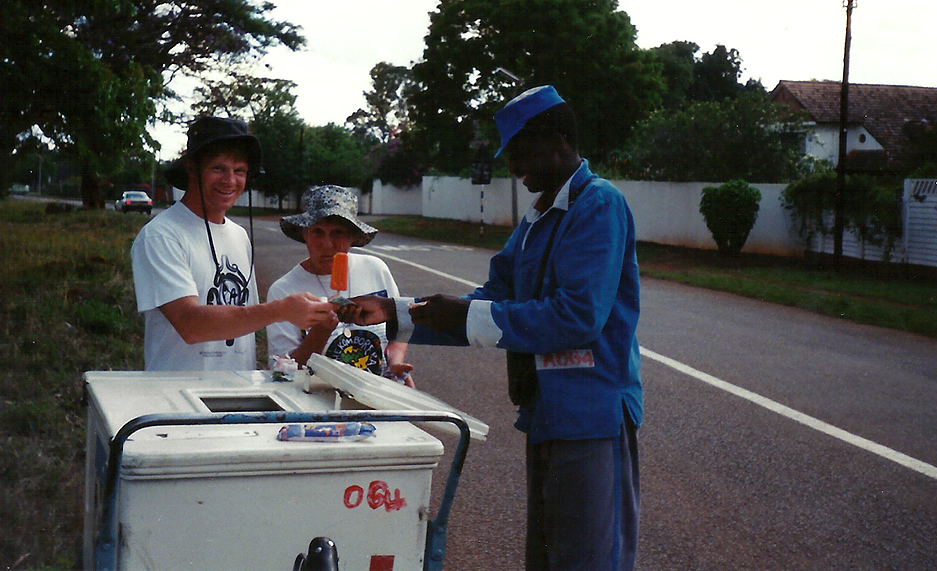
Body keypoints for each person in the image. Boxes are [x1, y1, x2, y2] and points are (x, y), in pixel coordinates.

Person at [341, 85, 643, 571]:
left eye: (519, 150)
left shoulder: (598, 205)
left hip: (593, 415)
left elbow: (577, 316)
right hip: (548, 413)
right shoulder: (538, 218)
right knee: (548, 557)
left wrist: (460, 314)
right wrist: (395, 313)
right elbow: (491, 300)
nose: (511, 166)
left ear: (559, 141)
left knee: (588, 557)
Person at [130, 115, 335, 371]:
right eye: (218, 168)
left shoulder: (239, 236)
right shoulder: (161, 235)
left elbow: (244, 316)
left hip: (237, 394)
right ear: (192, 168)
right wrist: (280, 309)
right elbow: (189, 323)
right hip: (178, 398)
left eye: (239, 171)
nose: (230, 180)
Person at [265, 185, 414, 386]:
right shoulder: (283, 291)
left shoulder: (375, 269)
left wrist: (395, 363)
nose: (327, 244)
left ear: (353, 236)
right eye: (317, 232)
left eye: (338, 232)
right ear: (304, 234)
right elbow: (282, 373)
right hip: (316, 405)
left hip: (375, 397)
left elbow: (400, 326)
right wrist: (320, 332)